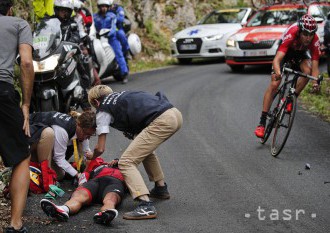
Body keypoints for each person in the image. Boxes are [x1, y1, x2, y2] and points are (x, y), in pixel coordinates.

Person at [87, 85, 183, 220]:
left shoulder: (103, 108)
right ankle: (160, 188)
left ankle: (145, 205)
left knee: (126, 162)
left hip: (162, 120)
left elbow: (100, 148)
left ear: (96, 102)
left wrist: (92, 156)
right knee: (144, 150)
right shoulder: (121, 96)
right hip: (174, 113)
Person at [254, 14, 321, 138]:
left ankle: (291, 98)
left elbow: (315, 68)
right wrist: (278, 73)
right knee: (275, 83)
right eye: (305, 34)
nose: (308, 38)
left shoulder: (315, 41)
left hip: (300, 54)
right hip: (285, 52)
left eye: (311, 35)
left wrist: (315, 83)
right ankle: (262, 123)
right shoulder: (292, 33)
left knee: (307, 70)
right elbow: (276, 60)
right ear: (300, 31)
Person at [0, 1, 34, 232]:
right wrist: (26, 104)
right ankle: (15, 224)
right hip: (2, 92)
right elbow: (26, 62)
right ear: (10, 8)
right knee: (22, 154)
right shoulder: (19, 24)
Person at [40, 157, 125, 225]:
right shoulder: (100, 165)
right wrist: (81, 185)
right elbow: (85, 174)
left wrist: (120, 162)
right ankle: (63, 209)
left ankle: (105, 214)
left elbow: (133, 181)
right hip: (96, 181)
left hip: (115, 182)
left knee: (110, 199)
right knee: (79, 195)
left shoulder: (126, 168)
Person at [29, 111, 96, 180]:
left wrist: (90, 160)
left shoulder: (82, 129)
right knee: (58, 175)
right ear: (78, 125)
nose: (87, 138)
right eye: (86, 134)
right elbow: (59, 158)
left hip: (41, 140)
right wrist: (78, 175)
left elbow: (85, 152)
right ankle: (34, 164)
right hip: (29, 139)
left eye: (90, 135)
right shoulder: (62, 130)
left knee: (63, 171)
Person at [53, 0, 92, 111]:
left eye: (66, 10)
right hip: (52, 56)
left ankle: (87, 109)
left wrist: (71, 43)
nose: (63, 13)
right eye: (61, 10)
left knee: (81, 72)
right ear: (56, 10)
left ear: (70, 12)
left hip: (69, 54)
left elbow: (76, 37)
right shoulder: (49, 22)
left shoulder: (72, 23)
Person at [94, 0, 129, 84]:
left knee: (118, 54)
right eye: (102, 6)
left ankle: (124, 74)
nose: (103, 8)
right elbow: (91, 26)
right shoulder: (94, 16)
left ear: (108, 7)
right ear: (99, 7)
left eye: (105, 6)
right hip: (98, 38)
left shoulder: (112, 15)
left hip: (111, 38)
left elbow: (113, 28)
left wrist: (108, 34)